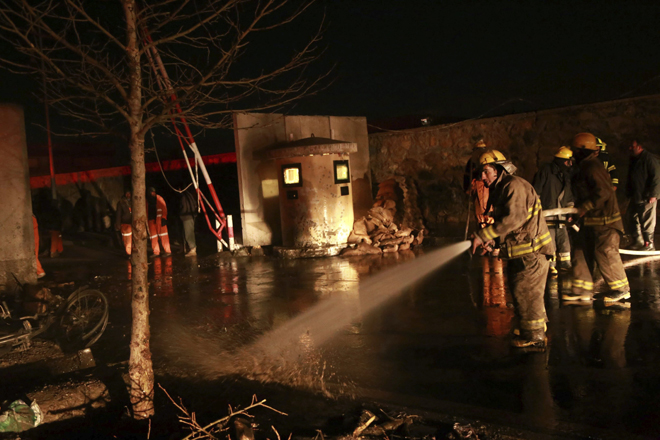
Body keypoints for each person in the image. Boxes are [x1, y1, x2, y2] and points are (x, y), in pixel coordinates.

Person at [471, 150, 554, 349]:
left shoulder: (514, 186)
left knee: (526, 292)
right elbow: (510, 224)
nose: (482, 177)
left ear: (499, 169)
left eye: (486, 171)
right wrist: (494, 242)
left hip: (532, 253)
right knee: (522, 291)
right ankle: (531, 327)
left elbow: (514, 219)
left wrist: (483, 235)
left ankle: (534, 336)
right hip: (523, 251)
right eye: (481, 173)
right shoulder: (504, 187)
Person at [568, 132, 630, 303]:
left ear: (583, 150)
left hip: (606, 222)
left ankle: (621, 290)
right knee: (590, 252)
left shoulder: (592, 167)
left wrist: (584, 208)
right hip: (596, 221)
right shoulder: (586, 166)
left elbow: (604, 191)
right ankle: (585, 289)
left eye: (575, 150)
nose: (573, 153)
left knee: (606, 253)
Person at [532, 146, 574, 275]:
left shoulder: (565, 175)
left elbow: (568, 195)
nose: (569, 164)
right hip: (547, 215)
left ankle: (565, 264)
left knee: (564, 241)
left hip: (561, 216)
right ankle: (551, 265)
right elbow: (536, 192)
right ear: (562, 161)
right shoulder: (546, 171)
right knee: (549, 242)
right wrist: (537, 212)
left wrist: (570, 213)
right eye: (568, 161)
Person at [625, 139, 660, 251]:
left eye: (632, 146)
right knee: (631, 217)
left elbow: (656, 178)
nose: (630, 148)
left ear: (639, 147)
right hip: (636, 195)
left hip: (646, 196)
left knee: (647, 220)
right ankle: (637, 241)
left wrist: (654, 194)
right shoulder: (634, 159)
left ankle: (648, 244)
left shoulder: (650, 159)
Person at [463, 138, 492, 228]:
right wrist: (468, 189)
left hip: (487, 189)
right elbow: (467, 177)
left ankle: (489, 233)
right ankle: (482, 231)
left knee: (489, 213)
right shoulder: (471, 162)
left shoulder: (488, 159)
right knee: (480, 214)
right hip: (477, 189)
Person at [147, 187, 171, 257]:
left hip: (160, 220)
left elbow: (164, 208)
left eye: (154, 192)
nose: (153, 193)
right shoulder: (147, 201)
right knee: (153, 237)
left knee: (163, 235)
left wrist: (164, 218)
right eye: (152, 192)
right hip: (151, 220)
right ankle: (156, 251)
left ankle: (167, 251)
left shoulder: (159, 198)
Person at [179, 186, 199, 257]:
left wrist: (181, 215)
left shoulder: (185, 197)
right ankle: (189, 248)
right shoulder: (189, 196)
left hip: (187, 217)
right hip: (190, 217)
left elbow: (184, 208)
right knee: (187, 233)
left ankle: (192, 249)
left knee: (189, 234)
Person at [115, 189, 133, 256]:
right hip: (125, 223)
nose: (128, 195)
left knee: (132, 239)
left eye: (129, 193)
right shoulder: (121, 203)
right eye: (127, 193)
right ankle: (128, 253)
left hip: (132, 223)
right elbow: (118, 214)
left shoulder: (133, 202)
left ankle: (131, 252)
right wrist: (118, 224)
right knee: (127, 239)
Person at [32, 214, 46, 279]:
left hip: (33, 238)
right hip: (34, 237)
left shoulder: (31, 218)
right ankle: (39, 271)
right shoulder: (32, 217)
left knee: (33, 254)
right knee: (34, 254)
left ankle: (39, 271)